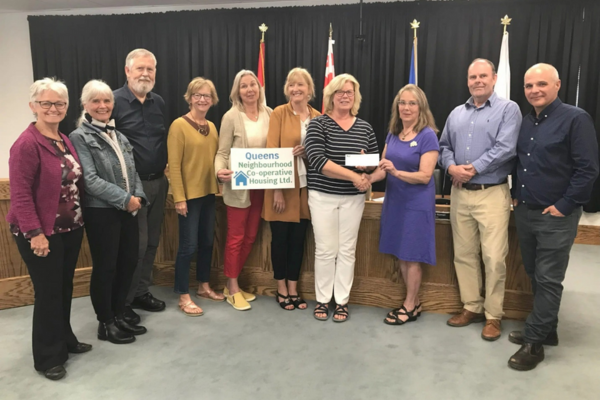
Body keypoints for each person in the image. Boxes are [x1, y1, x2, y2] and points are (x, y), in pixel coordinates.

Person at [507, 63, 599, 371]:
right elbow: (521, 163)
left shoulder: (576, 119)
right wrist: (516, 195)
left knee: (548, 278)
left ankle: (534, 343)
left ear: (557, 85)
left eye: (541, 84)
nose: (535, 90)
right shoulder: (525, 122)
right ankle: (548, 330)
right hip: (526, 211)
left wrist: (564, 204)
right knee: (534, 274)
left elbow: (588, 169)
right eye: (529, 85)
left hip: (556, 215)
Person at [6, 78, 90, 380]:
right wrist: (34, 234)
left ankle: (65, 340)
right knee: (48, 294)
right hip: (42, 233)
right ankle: (47, 357)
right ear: (34, 106)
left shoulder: (62, 139)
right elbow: (21, 194)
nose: (53, 108)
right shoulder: (26, 144)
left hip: (69, 229)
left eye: (59, 103)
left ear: (66, 107)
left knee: (64, 289)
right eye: (46, 103)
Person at [438, 58, 521, 341]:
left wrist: (471, 169)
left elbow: (506, 148)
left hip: (493, 193)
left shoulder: (509, 110)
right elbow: (444, 147)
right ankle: (471, 306)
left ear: (494, 78)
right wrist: (451, 167)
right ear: (467, 80)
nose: (478, 81)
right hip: (460, 194)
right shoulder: (456, 114)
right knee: (464, 254)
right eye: (473, 77)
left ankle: (493, 315)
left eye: (483, 76)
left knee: (494, 257)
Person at [70, 80, 148, 344]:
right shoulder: (79, 137)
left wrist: (138, 197)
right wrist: (126, 199)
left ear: (113, 104)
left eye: (107, 101)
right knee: (107, 267)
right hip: (101, 212)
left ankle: (118, 313)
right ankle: (105, 322)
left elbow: (133, 171)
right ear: (85, 105)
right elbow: (89, 180)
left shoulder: (119, 135)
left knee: (128, 263)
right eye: (96, 101)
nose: (102, 106)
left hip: (128, 210)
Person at [305, 73, 378, 322]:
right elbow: (317, 161)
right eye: (340, 92)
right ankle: (323, 300)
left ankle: (342, 301)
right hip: (322, 196)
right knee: (326, 250)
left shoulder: (365, 127)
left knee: (347, 250)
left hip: (352, 199)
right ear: (331, 96)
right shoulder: (318, 124)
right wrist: (353, 176)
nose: (345, 96)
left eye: (350, 92)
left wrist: (365, 170)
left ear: (355, 96)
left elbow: (372, 164)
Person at [365, 84, 439, 325]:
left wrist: (396, 173)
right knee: (401, 254)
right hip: (395, 201)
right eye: (402, 103)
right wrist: (366, 176)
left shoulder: (428, 135)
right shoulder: (393, 133)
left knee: (412, 254)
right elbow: (383, 168)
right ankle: (413, 301)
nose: (406, 108)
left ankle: (410, 305)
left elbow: (425, 176)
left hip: (416, 203)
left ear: (421, 107)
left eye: (412, 103)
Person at [112, 48, 168, 323]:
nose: (145, 74)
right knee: (135, 245)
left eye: (150, 69)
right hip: (131, 189)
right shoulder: (112, 101)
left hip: (159, 182)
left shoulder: (158, 102)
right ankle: (122, 301)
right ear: (127, 71)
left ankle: (140, 292)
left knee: (152, 243)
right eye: (140, 69)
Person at [263, 68, 321, 311]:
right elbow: (271, 151)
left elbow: (321, 156)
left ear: (309, 90)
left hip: (307, 191)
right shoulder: (279, 113)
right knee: (280, 240)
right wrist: (276, 189)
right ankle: (281, 288)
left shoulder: (318, 117)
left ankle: (294, 288)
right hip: (282, 188)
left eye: (301, 85)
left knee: (298, 242)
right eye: (291, 85)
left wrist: (307, 153)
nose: (296, 89)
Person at [215, 70, 272, 311]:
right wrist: (219, 171)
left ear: (259, 88)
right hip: (239, 188)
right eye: (243, 86)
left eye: (253, 84)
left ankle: (232, 285)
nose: (249, 89)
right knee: (236, 238)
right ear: (237, 91)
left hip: (263, 187)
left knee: (250, 237)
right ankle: (233, 287)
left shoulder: (270, 114)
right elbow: (222, 153)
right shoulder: (231, 116)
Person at [168, 77, 224, 316]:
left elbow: (215, 160)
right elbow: (174, 165)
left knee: (207, 243)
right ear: (190, 98)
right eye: (198, 95)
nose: (202, 99)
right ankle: (183, 295)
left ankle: (203, 287)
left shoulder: (212, 127)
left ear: (213, 100)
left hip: (209, 194)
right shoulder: (178, 126)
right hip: (188, 197)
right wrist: (179, 198)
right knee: (188, 246)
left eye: (207, 96)